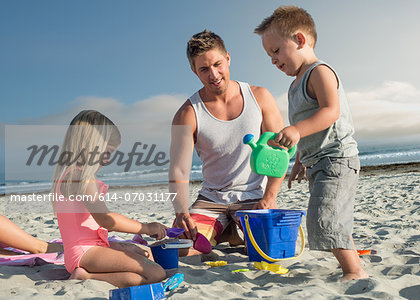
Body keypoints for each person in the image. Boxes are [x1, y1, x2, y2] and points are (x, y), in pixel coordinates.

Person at [254, 6, 368, 281]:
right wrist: (299, 161)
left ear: (300, 40)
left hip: (337, 158)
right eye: (269, 54)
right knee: (332, 211)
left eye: (276, 51)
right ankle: (352, 258)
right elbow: (308, 133)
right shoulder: (295, 86)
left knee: (323, 216)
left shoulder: (320, 72)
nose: (273, 60)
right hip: (318, 161)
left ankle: (354, 271)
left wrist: (295, 130)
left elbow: (330, 111)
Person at [169, 30, 285, 255]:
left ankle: (229, 229)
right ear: (194, 71)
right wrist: (181, 211)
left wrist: (270, 197)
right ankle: (225, 229)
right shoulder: (187, 113)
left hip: (253, 196)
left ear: (228, 58)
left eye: (217, 64)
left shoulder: (259, 97)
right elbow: (179, 168)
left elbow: (279, 154)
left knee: (270, 248)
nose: (213, 74)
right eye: (204, 69)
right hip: (211, 199)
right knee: (185, 250)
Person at [52, 110, 167, 288]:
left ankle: (90, 273)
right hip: (85, 252)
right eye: (106, 152)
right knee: (156, 273)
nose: (107, 160)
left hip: (92, 247)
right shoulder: (79, 178)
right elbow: (106, 219)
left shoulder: (70, 175)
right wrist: (145, 227)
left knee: (142, 252)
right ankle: (85, 277)